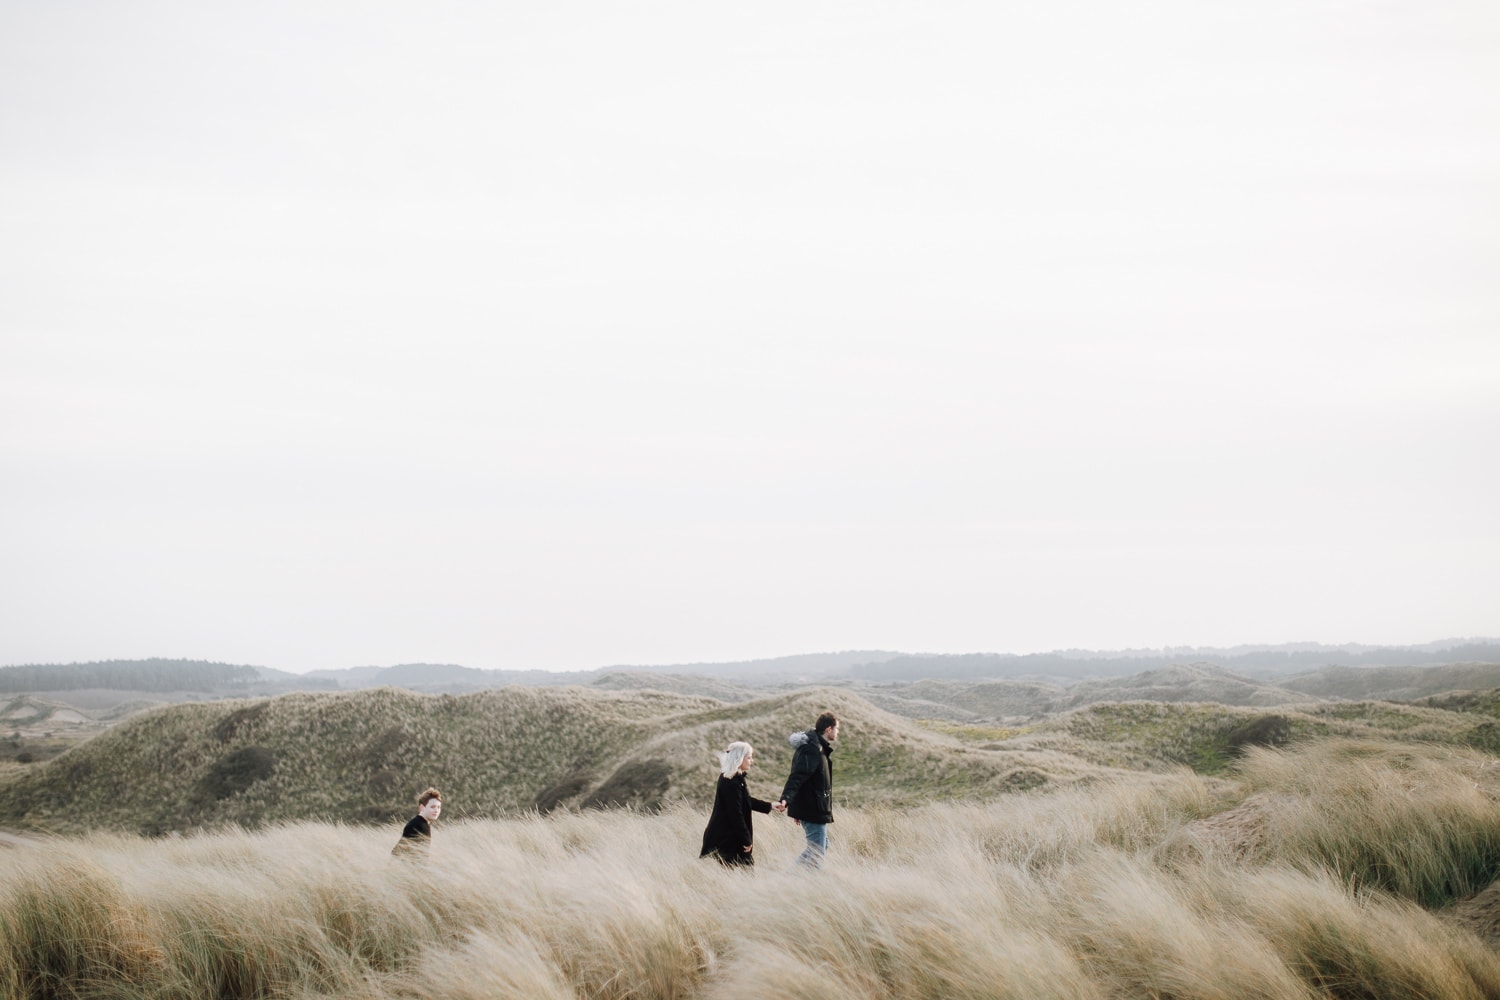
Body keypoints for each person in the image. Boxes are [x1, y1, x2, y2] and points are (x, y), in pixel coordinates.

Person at [776, 712, 838, 868]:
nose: (838, 732)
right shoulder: (813, 749)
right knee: (817, 851)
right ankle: (789, 880)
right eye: (837, 729)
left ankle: (793, 879)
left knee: (821, 845)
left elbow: (808, 780)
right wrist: (787, 799)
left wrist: (798, 808)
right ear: (829, 729)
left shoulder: (817, 747)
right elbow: (797, 776)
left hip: (811, 807)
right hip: (813, 808)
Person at [700, 741, 775, 867]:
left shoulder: (735, 778)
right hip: (726, 839)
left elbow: (745, 800)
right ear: (739, 758)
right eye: (749, 757)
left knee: (741, 875)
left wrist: (770, 805)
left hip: (730, 837)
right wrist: (746, 839)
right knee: (741, 875)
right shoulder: (731, 781)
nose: (752, 761)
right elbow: (735, 813)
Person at [392, 787, 442, 857]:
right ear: (422, 807)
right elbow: (398, 852)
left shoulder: (421, 823)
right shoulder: (418, 825)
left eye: (438, 807)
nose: (436, 810)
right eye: (432, 807)